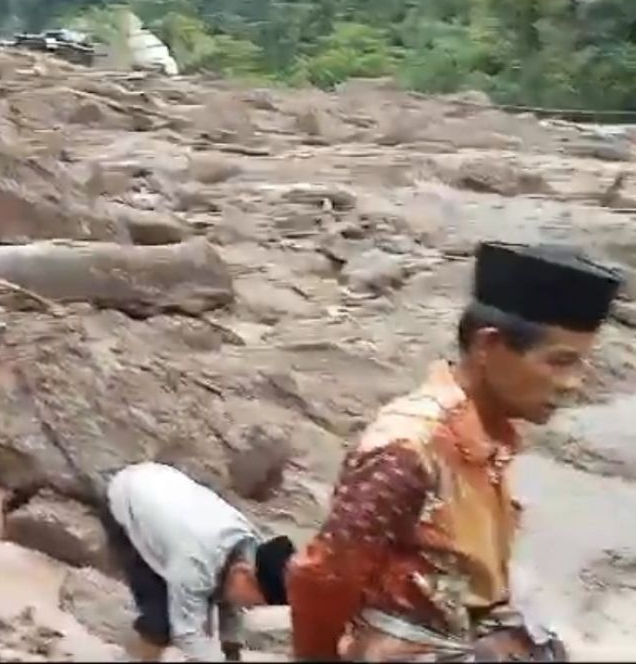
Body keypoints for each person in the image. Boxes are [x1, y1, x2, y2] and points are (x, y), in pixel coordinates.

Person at [287, 241, 624, 662]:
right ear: (488, 346)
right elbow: (323, 577)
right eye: (559, 362)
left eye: (581, 366)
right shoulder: (408, 448)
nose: (573, 384)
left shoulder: (488, 436)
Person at [103, 461, 296, 662]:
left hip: (162, 486)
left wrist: (232, 648)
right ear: (244, 573)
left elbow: (232, 600)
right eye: (256, 602)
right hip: (128, 499)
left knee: (212, 592)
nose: (251, 607)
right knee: (160, 620)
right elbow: (187, 633)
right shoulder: (195, 564)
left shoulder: (248, 548)